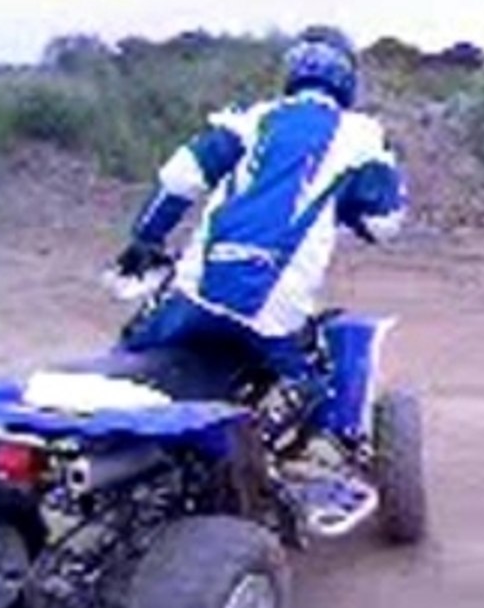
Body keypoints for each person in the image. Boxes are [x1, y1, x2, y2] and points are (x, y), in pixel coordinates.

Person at [112, 25, 406, 426]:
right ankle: (288, 427)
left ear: (292, 72)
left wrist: (146, 237)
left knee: (127, 357)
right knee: (314, 397)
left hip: (198, 295)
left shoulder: (251, 119)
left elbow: (179, 179)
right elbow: (384, 224)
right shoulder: (363, 136)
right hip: (275, 313)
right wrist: (345, 209)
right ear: (349, 79)